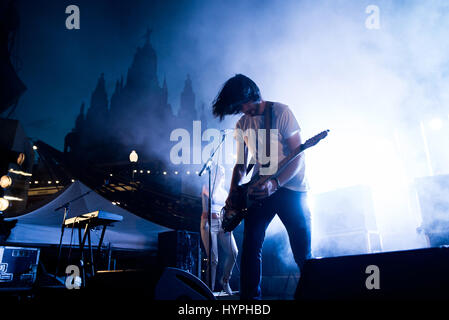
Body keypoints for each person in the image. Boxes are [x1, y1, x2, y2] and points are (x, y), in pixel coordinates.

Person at [212, 74, 311, 300]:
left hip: (292, 189)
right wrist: (232, 194)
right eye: (237, 108)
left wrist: (275, 183)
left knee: (303, 254)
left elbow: (298, 157)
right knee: (250, 249)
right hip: (259, 189)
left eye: (243, 104)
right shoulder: (242, 124)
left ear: (252, 94)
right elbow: (241, 165)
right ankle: (250, 302)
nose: (242, 110)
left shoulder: (281, 112)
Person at [200, 164, 238, 294]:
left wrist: (230, 222)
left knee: (234, 252)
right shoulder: (207, 188)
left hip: (223, 224)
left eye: (223, 172)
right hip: (208, 223)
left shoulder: (224, 191)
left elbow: (227, 210)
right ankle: (209, 289)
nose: (222, 174)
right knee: (213, 259)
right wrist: (217, 178)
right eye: (220, 172)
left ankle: (225, 281)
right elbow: (209, 200)